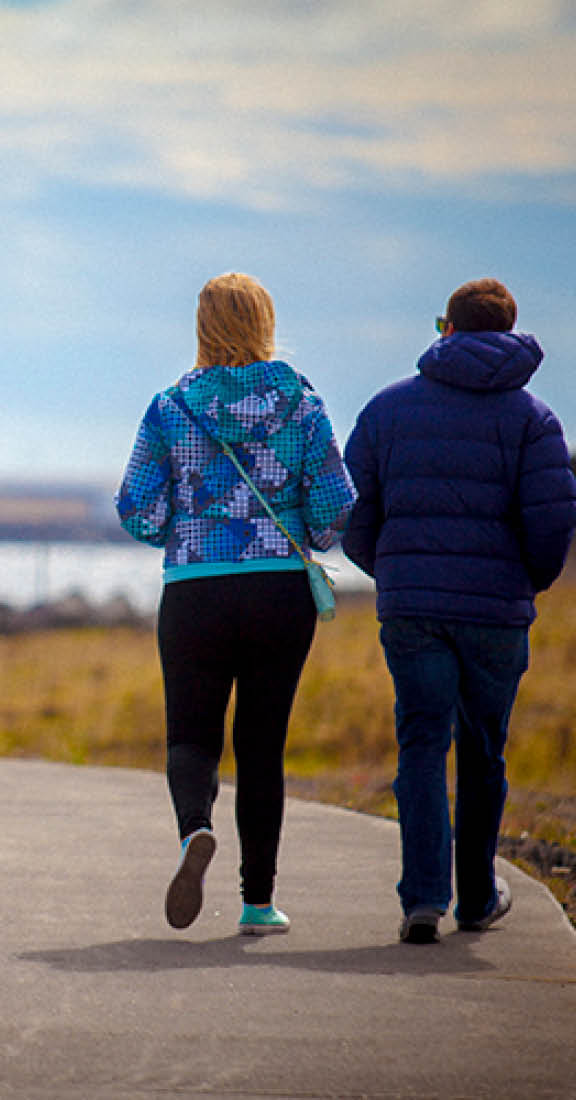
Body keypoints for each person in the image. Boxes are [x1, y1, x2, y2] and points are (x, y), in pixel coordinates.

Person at [341, 277, 576, 944]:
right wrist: (523, 583)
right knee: (484, 752)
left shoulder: (388, 411)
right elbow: (555, 521)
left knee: (421, 743)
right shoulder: (533, 420)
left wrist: (392, 570)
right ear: (508, 333)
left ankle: (423, 898)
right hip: (496, 615)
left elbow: (350, 510)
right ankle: (477, 897)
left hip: (413, 610)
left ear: (445, 328)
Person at [117, 273, 355, 934]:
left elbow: (135, 508)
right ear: (264, 323)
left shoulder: (171, 405)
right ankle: (258, 902)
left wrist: (188, 528)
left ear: (203, 327)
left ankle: (196, 830)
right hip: (280, 591)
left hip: (196, 589)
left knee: (192, 733)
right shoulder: (303, 404)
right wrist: (306, 533)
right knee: (261, 744)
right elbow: (336, 505)